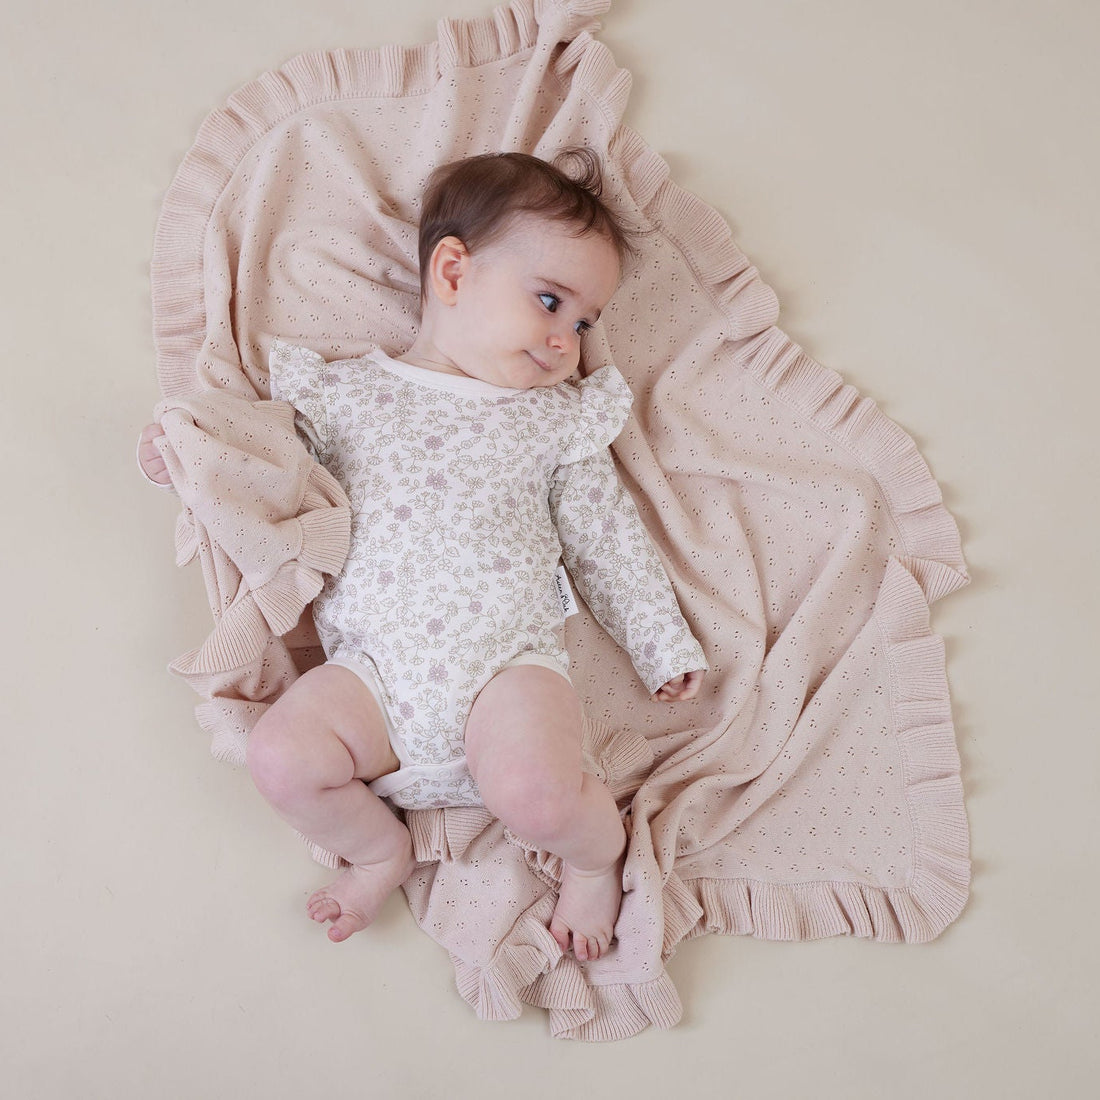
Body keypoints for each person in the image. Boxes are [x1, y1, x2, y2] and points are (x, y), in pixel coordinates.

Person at [140, 150, 706, 963]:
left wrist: (660, 642)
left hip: (504, 670)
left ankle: (593, 855)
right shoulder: (342, 396)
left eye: (584, 324)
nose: (565, 342)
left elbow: (607, 540)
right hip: (372, 675)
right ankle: (379, 849)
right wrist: (186, 460)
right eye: (550, 301)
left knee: (539, 795)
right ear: (452, 271)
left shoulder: (552, 423)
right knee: (282, 756)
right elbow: (261, 466)